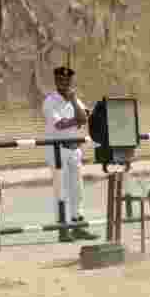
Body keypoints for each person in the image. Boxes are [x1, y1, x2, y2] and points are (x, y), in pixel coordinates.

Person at [42, 66, 98, 242]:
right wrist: (78, 119)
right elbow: (60, 124)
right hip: (58, 150)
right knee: (62, 190)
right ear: (56, 81)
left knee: (77, 190)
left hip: (74, 150)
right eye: (61, 80)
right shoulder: (50, 101)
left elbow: (84, 116)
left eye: (67, 80)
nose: (64, 83)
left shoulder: (75, 100)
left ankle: (77, 225)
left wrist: (74, 103)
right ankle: (63, 228)